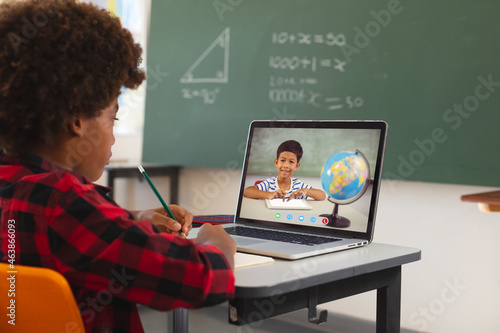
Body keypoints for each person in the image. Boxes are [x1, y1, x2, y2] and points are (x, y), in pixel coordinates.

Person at [0, 1, 236, 332]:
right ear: (77, 120)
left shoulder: (16, 185)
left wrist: (131, 219)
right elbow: (199, 280)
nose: (112, 134)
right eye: (113, 117)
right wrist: (217, 245)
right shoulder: (67, 204)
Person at [243, 140, 327, 201]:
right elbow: (246, 191)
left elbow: (322, 195)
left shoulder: (298, 185)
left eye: (291, 162)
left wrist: (306, 191)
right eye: (282, 160)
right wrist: (270, 194)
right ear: (276, 162)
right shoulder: (269, 183)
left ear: (296, 166)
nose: (286, 165)